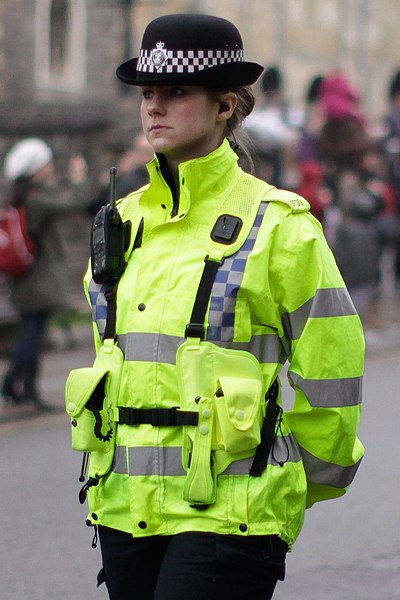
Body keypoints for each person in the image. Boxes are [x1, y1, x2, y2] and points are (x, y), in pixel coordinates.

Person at [67, 14, 365, 600]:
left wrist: (290, 483)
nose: (154, 107)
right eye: (148, 93)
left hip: (233, 515)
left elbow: (334, 369)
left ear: (225, 105)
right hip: (123, 508)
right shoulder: (122, 220)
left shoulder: (281, 226)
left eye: (176, 93)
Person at [1, 137, 90, 410]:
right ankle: (16, 386)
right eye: (46, 165)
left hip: (24, 282)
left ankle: (21, 389)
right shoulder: (37, 201)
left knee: (33, 332)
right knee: (32, 334)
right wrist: (77, 178)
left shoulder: (22, 200)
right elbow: (74, 202)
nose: (50, 168)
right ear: (35, 170)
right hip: (36, 283)